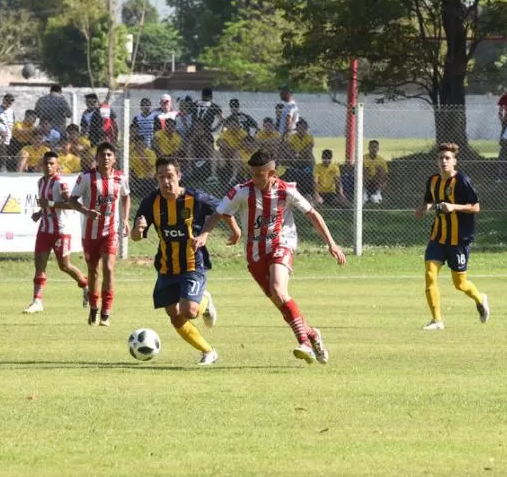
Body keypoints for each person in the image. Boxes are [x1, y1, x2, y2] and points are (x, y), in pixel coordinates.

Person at [196, 149, 347, 364]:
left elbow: (313, 214)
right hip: (255, 253)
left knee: (278, 289)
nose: (254, 179)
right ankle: (312, 334)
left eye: (259, 174)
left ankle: (304, 344)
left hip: (282, 243)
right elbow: (218, 214)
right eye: (252, 174)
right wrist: (204, 234)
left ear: (272, 173)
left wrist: (331, 244)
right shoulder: (242, 192)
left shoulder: (287, 191)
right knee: (281, 301)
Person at [132, 157, 241, 365]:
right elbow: (136, 236)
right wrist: (137, 231)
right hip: (166, 266)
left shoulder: (195, 198)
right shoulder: (150, 202)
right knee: (175, 316)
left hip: (193, 263)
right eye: (161, 177)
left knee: (189, 311)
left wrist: (234, 230)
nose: (166, 182)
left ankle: (205, 302)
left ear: (179, 176)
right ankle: (208, 351)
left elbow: (222, 208)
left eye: (170, 176)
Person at [414, 142, 490, 330]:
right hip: (437, 237)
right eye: (440, 158)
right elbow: (429, 198)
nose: (444, 161)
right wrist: (423, 208)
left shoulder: (462, 181)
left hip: (459, 240)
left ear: (455, 161)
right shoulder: (432, 181)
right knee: (430, 275)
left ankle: (480, 298)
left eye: (447, 158)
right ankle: (437, 320)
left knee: (460, 283)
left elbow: (476, 207)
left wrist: (453, 207)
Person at [68, 142, 131, 326]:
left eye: (109, 155)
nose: (106, 158)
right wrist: (86, 211)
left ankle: (106, 312)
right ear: (96, 158)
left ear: (114, 158)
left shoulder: (120, 178)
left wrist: (126, 219)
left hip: (110, 231)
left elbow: (126, 196)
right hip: (90, 233)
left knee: (109, 269)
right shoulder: (86, 178)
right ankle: (94, 307)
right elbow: (72, 200)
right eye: (102, 155)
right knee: (93, 272)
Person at [23, 151, 92, 314]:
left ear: (57, 166)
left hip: (60, 231)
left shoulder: (60, 183)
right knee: (39, 266)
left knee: (65, 266)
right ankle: (37, 301)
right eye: (45, 163)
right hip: (44, 229)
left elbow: (72, 205)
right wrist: (40, 213)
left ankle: (86, 285)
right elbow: (46, 204)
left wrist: (52, 203)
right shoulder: (40, 182)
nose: (48, 166)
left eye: (51, 164)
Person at [129, 123, 157, 198]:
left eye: (141, 144)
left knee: (148, 181)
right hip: (137, 177)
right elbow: (131, 169)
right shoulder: (133, 153)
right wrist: (132, 176)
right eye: (137, 144)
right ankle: (136, 190)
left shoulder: (150, 153)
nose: (139, 146)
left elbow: (149, 167)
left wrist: (141, 155)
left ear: (144, 144)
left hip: (148, 177)